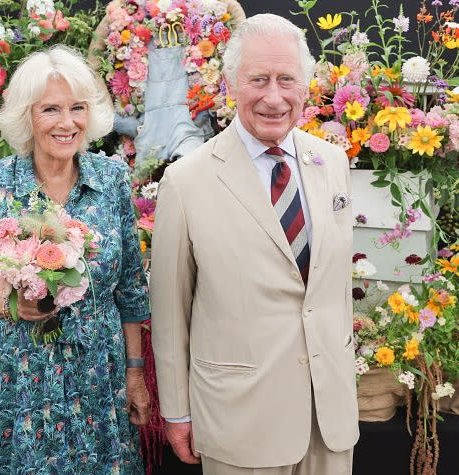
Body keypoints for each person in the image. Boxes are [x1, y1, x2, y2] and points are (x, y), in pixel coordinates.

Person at [150, 13, 359, 475]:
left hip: (330, 418)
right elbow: (169, 312)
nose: (274, 96)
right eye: (258, 79)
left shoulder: (333, 162)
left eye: (287, 79)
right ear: (230, 84)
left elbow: (332, 286)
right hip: (238, 421)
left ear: (306, 86)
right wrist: (178, 411)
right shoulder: (186, 182)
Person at [0, 45, 151, 474]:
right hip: (17, 385)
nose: (67, 123)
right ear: (27, 116)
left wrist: (136, 374)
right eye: (51, 110)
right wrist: (10, 305)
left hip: (99, 380)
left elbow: (130, 288)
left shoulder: (112, 180)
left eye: (78, 108)